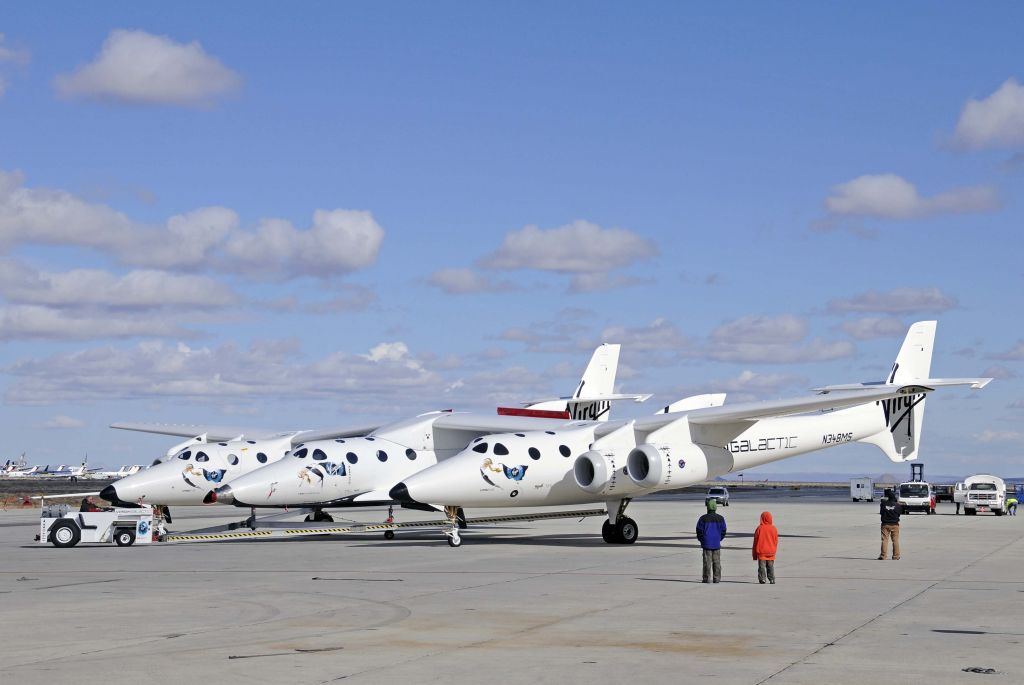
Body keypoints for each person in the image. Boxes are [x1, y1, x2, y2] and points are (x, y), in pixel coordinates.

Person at [696, 499, 727, 583]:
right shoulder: (721, 518)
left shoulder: (703, 518)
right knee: (716, 562)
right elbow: (724, 531)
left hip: (706, 543)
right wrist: (719, 538)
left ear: (708, 507)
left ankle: (706, 578)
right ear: (715, 507)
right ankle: (716, 578)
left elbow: (699, 531)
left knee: (707, 562)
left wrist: (702, 540)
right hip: (716, 543)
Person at [752, 511, 778, 584]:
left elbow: (755, 542)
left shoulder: (759, 529)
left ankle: (762, 579)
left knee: (761, 567)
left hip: (761, 552)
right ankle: (772, 579)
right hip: (771, 551)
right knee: (770, 566)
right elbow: (776, 541)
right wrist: (774, 550)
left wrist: (754, 555)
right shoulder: (774, 529)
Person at [879, 488, 902, 560]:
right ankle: (896, 556)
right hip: (895, 524)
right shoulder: (897, 505)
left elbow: (881, 512)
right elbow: (899, 513)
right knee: (895, 540)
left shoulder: (883, 504)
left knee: (884, 540)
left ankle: (883, 556)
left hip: (885, 524)